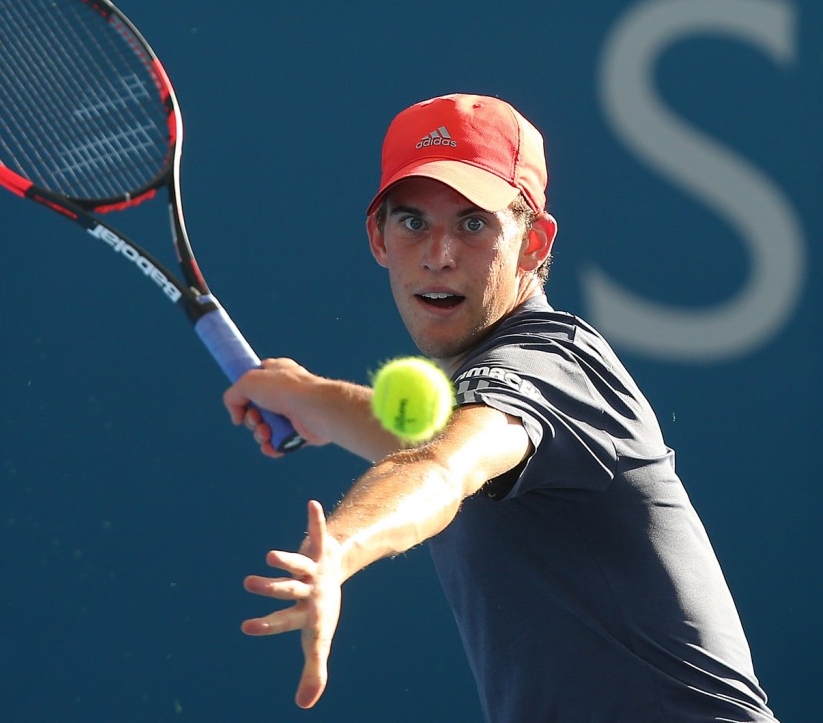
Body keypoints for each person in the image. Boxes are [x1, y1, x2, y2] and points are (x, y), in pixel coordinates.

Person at [223, 94, 777, 721]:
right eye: (412, 223)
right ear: (378, 238)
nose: (439, 253)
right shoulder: (493, 407)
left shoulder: (551, 365)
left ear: (535, 242)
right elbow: (439, 445)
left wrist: (339, 554)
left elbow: (442, 467)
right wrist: (309, 399)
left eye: (473, 224)